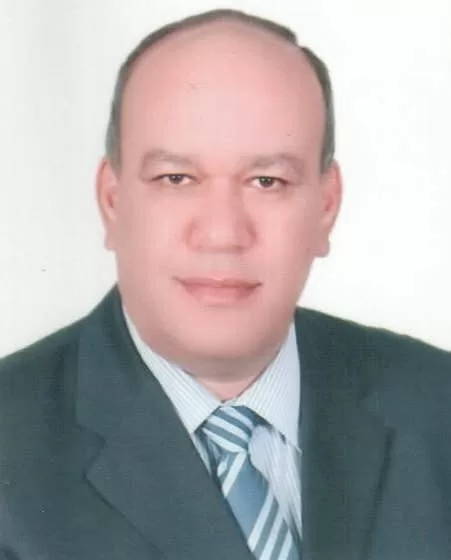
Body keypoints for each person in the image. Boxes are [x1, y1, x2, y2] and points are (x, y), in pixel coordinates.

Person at [0, 8, 450, 560]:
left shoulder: (439, 406)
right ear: (112, 202)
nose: (222, 233)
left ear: (326, 207)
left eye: (267, 181)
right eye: (176, 178)